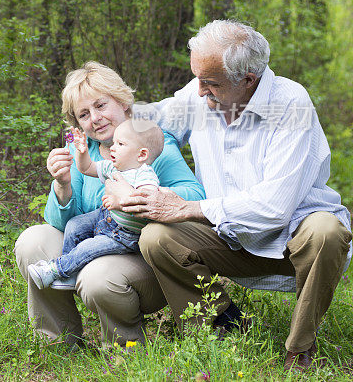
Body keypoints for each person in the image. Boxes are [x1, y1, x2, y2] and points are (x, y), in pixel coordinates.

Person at [119, 20, 352, 370]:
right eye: (196, 78)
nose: (198, 91)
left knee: (328, 232)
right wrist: (105, 116)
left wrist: (190, 207)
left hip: (293, 237)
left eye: (210, 83)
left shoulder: (290, 104)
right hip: (227, 237)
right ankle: (223, 326)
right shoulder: (201, 93)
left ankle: (300, 348)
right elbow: (152, 122)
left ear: (248, 80)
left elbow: (274, 209)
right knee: (157, 237)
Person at [14, 62, 206, 347]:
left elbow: (194, 195)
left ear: (123, 102)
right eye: (84, 114)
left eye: (101, 105)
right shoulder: (82, 153)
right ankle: (58, 344)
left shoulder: (149, 144)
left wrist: (138, 196)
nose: (95, 118)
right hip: (97, 240)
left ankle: (124, 351)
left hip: (142, 258)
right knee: (33, 240)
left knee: (97, 275)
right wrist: (62, 184)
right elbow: (60, 224)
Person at [27, 120, 165, 290]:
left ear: (141, 154)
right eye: (114, 142)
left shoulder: (145, 176)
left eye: (120, 144)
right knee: (75, 224)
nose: (113, 148)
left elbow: (145, 202)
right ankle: (71, 274)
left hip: (123, 235)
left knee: (87, 247)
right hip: (105, 217)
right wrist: (82, 151)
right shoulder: (113, 167)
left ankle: (56, 269)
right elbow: (87, 168)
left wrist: (119, 201)